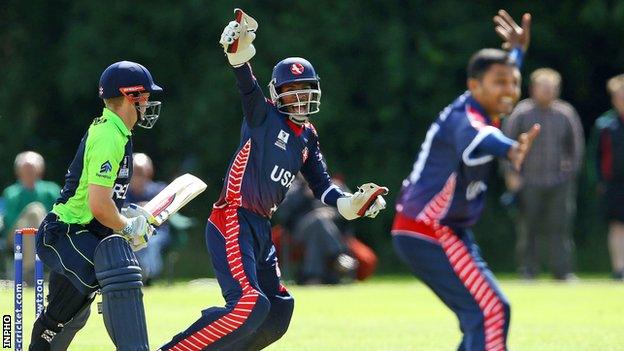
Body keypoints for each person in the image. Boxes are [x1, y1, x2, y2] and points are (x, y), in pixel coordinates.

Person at [158, 9, 388, 351]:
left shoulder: (307, 135)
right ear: (277, 93)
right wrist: (238, 52)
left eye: (306, 90)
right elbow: (243, 78)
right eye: (292, 91)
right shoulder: (262, 114)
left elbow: (322, 186)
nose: (300, 97)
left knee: (277, 310)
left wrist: (351, 203)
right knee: (250, 305)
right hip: (232, 218)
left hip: (261, 227)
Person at [391, 10, 537, 351]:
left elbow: (502, 75)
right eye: (500, 83)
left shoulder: (482, 105)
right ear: (474, 86)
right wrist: (512, 149)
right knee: (491, 310)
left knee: (481, 315)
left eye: (514, 83)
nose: (510, 90)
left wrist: (518, 51)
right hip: (428, 229)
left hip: (440, 229)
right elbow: (482, 138)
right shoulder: (466, 118)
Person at [28, 61, 163, 351]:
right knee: (121, 269)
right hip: (65, 233)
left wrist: (126, 215)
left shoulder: (117, 133)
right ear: (131, 97)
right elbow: (99, 205)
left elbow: (107, 201)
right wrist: (127, 228)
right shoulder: (107, 136)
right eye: (146, 96)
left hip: (84, 233)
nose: (149, 102)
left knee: (66, 318)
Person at [503, 68, 584, 280]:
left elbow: (576, 147)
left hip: (559, 182)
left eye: (552, 88)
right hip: (527, 181)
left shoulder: (566, 113)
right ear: (533, 89)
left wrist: (570, 174)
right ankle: (528, 270)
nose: (548, 92)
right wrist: (510, 174)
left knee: (560, 228)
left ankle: (562, 271)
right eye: (543, 87)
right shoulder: (521, 113)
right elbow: (506, 146)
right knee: (528, 228)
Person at [276, 177, 359, 285]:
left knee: (317, 231)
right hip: (299, 232)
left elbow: (352, 211)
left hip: (332, 230)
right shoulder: (291, 189)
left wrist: (331, 213)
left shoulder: (335, 187)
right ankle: (337, 257)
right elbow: (283, 215)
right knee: (318, 219)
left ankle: (313, 278)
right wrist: (304, 196)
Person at [1, 151, 60, 281]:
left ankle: (29, 272)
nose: (29, 172)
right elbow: (10, 221)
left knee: (36, 215)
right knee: (34, 213)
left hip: (48, 233)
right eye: (25, 168)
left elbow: (60, 215)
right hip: (16, 235)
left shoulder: (51, 190)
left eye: (32, 168)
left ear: (40, 170)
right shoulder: (11, 193)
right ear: (18, 171)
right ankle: (30, 270)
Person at [592, 74, 624, 280]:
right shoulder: (604, 124)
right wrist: (598, 182)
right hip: (614, 184)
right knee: (617, 227)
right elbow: (593, 157)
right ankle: (619, 269)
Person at [126, 152, 172, 282]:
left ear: (149, 172)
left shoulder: (159, 190)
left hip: (157, 232)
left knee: (150, 243)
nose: (137, 177)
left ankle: (150, 277)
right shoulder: (124, 192)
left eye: (141, 173)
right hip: (131, 231)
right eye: (134, 173)